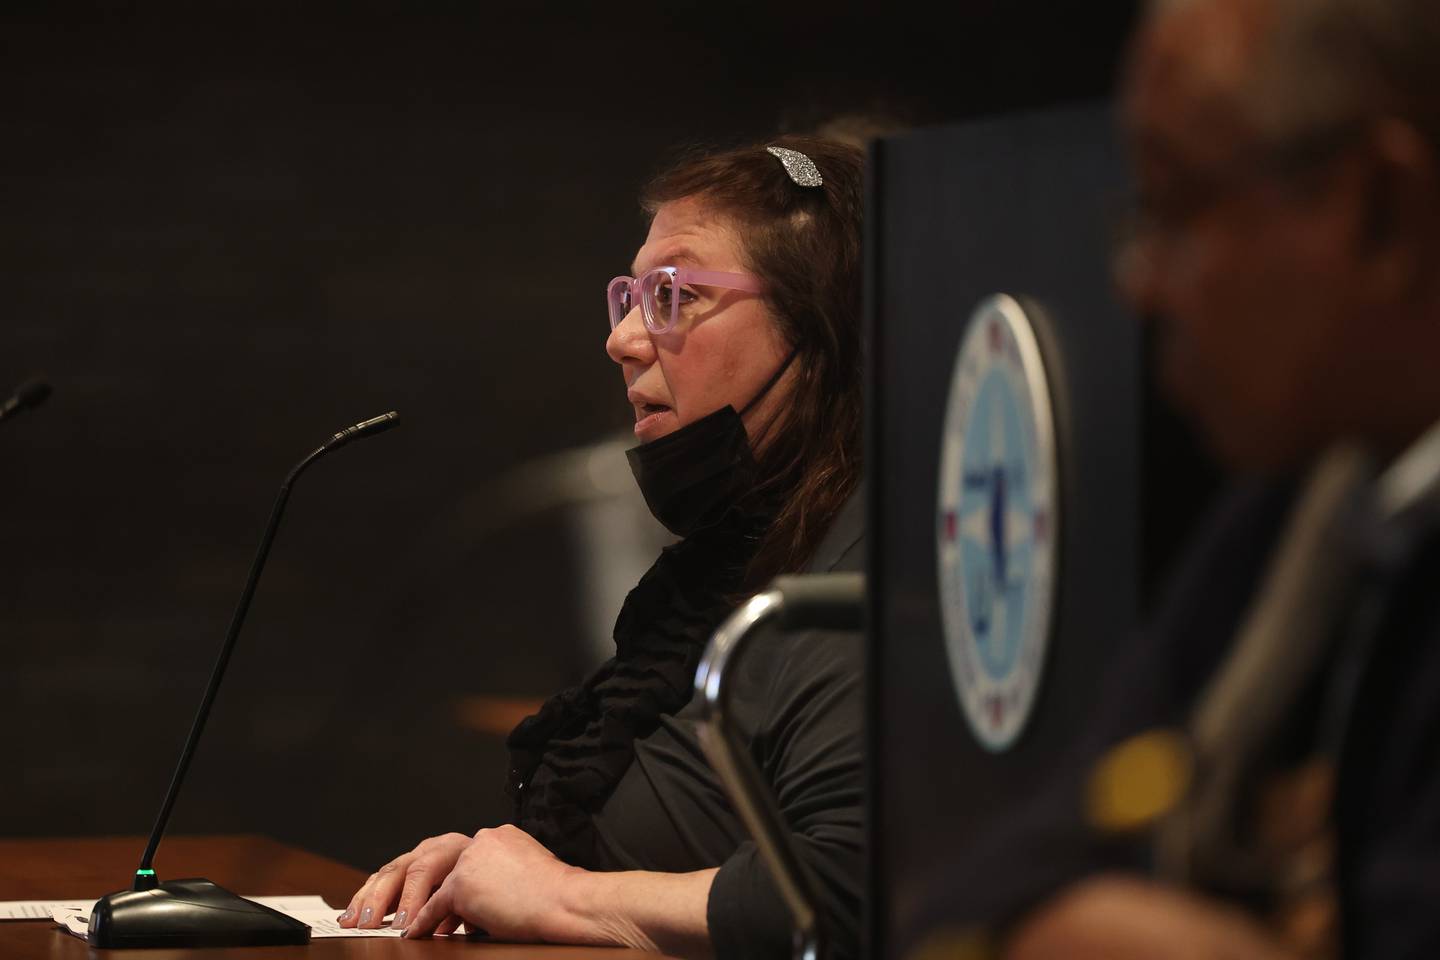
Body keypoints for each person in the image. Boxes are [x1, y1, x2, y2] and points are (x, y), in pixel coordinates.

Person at [337, 137, 867, 960]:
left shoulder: (866, 566)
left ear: (819, 323)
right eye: (629, 296)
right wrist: (503, 871)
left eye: (674, 295)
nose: (623, 339)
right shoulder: (738, 565)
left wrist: (568, 896)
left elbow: (851, 888)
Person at [997, 0, 1440, 957]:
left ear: (1384, 211)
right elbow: (1009, 879)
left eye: (1177, 203)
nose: (1139, 281)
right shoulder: (1290, 516)